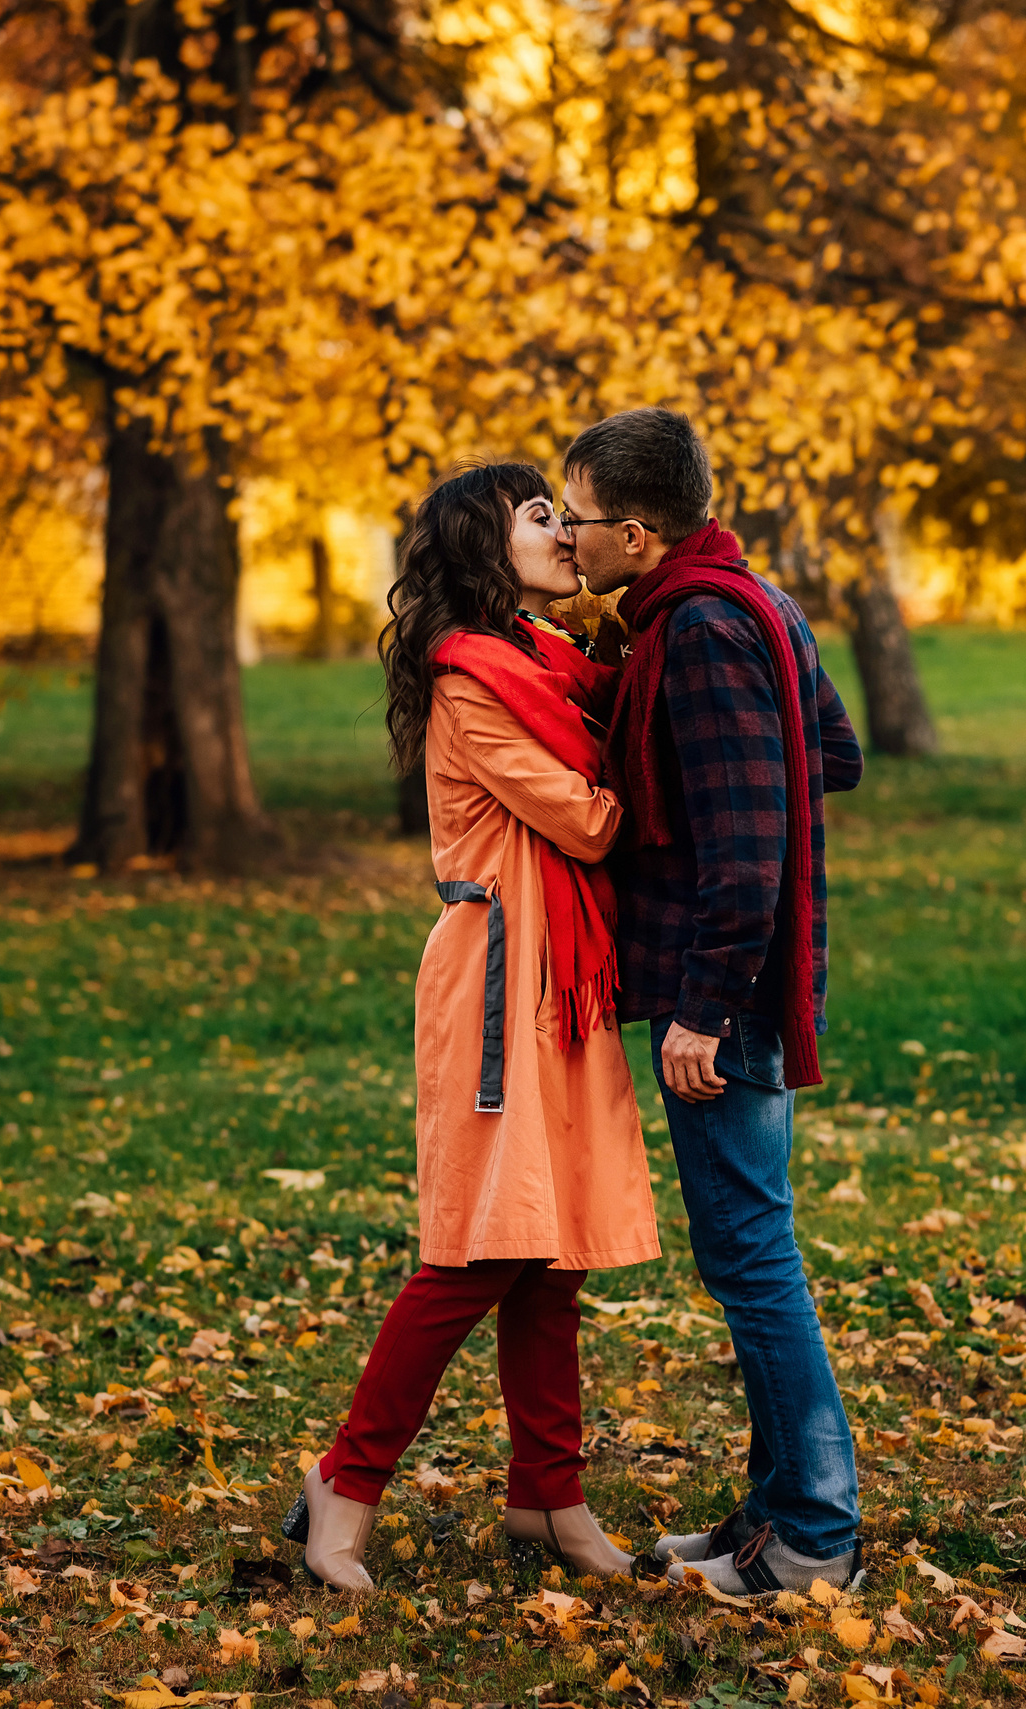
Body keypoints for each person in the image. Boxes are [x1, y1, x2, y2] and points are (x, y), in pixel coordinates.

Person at [284, 462, 660, 1591]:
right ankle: (340, 1489)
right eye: (537, 514)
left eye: (560, 509)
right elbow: (589, 821)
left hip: (564, 977)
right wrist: (660, 776)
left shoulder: (558, 665)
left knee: (550, 1261)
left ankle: (549, 1498)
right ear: (485, 550)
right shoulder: (472, 677)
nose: (562, 527)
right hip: (500, 979)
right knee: (478, 1251)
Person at [557, 408, 868, 1594]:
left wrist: (700, 1007)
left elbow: (746, 855)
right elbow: (829, 752)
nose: (569, 537)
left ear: (636, 533)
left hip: (723, 992)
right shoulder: (751, 600)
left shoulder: (696, 631)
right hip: (732, 983)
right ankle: (772, 1512)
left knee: (751, 1256)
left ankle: (813, 1537)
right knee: (750, 1252)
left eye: (577, 518)